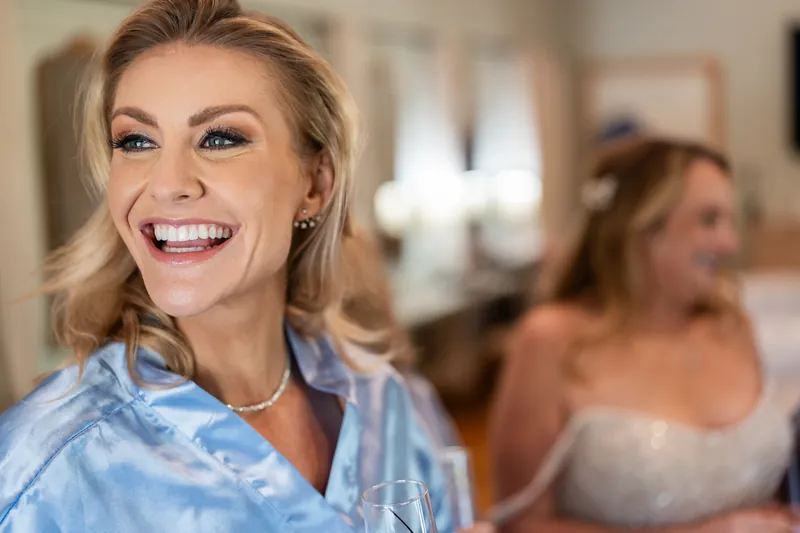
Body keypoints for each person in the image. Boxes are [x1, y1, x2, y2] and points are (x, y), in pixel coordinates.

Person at [0, 1, 491, 531]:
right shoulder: (48, 467)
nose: (167, 183)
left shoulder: (383, 405)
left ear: (315, 184)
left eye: (220, 138)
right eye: (136, 141)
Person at [489, 138, 795, 532]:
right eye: (708, 219)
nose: (730, 242)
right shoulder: (550, 340)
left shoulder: (733, 326)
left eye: (728, 221)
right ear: (640, 228)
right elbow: (520, 523)